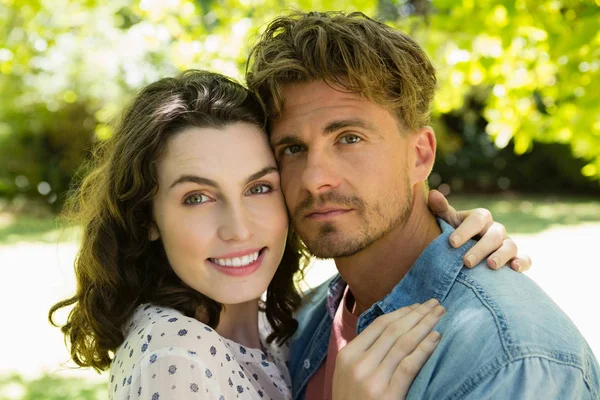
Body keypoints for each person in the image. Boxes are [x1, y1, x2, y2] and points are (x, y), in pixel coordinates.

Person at [48, 70, 529, 399]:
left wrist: (448, 239)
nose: (238, 228)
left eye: (258, 187)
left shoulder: (272, 321)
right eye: (197, 196)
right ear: (148, 216)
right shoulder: (176, 359)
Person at [245, 10, 600, 399]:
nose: (314, 179)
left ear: (420, 155)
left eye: (349, 138)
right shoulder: (305, 319)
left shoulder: (511, 361)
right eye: (293, 148)